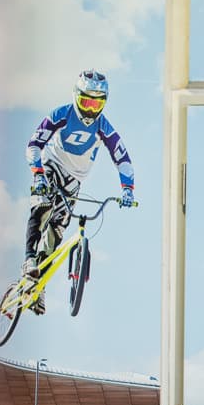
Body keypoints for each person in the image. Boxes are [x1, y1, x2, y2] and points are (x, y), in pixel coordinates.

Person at [20, 70, 136, 314]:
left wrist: (127, 189)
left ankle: (37, 286)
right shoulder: (61, 114)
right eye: (87, 102)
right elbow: (34, 144)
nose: (91, 110)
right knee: (42, 205)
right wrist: (38, 173)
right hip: (51, 164)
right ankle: (29, 258)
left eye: (97, 103)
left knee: (57, 231)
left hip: (75, 180)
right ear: (76, 97)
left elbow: (122, 157)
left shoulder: (103, 126)